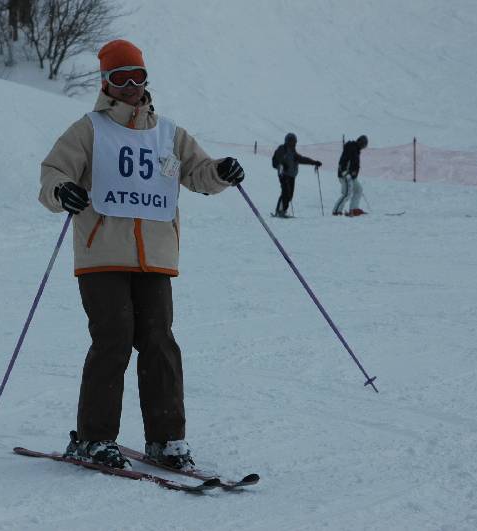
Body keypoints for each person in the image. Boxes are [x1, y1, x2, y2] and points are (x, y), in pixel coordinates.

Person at [38, 39, 245, 470]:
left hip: (155, 257)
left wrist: (221, 172)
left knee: (159, 341)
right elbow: (53, 173)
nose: (130, 86)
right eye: (120, 78)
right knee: (113, 338)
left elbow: (199, 173)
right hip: (102, 254)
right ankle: (94, 438)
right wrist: (63, 191)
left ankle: (166, 440)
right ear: (106, 83)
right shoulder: (90, 129)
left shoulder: (168, 133)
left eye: (138, 77)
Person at [270, 133, 322, 217]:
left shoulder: (293, 152)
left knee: (290, 195)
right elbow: (277, 160)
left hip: (291, 175)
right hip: (283, 174)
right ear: (287, 141)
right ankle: (280, 211)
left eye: (294, 142)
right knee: (285, 192)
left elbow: (302, 159)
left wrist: (314, 162)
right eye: (292, 141)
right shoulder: (282, 149)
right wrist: (282, 164)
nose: (293, 143)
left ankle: (282, 210)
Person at [333, 135, 368, 216]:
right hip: (346, 175)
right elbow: (343, 161)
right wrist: (345, 173)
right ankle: (336, 211)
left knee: (358, 189)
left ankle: (354, 209)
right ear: (360, 142)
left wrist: (354, 173)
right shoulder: (351, 148)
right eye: (363, 144)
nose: (363, 147)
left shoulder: (356, 149)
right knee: (346, 194)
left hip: (352, 176)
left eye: (364, 145)